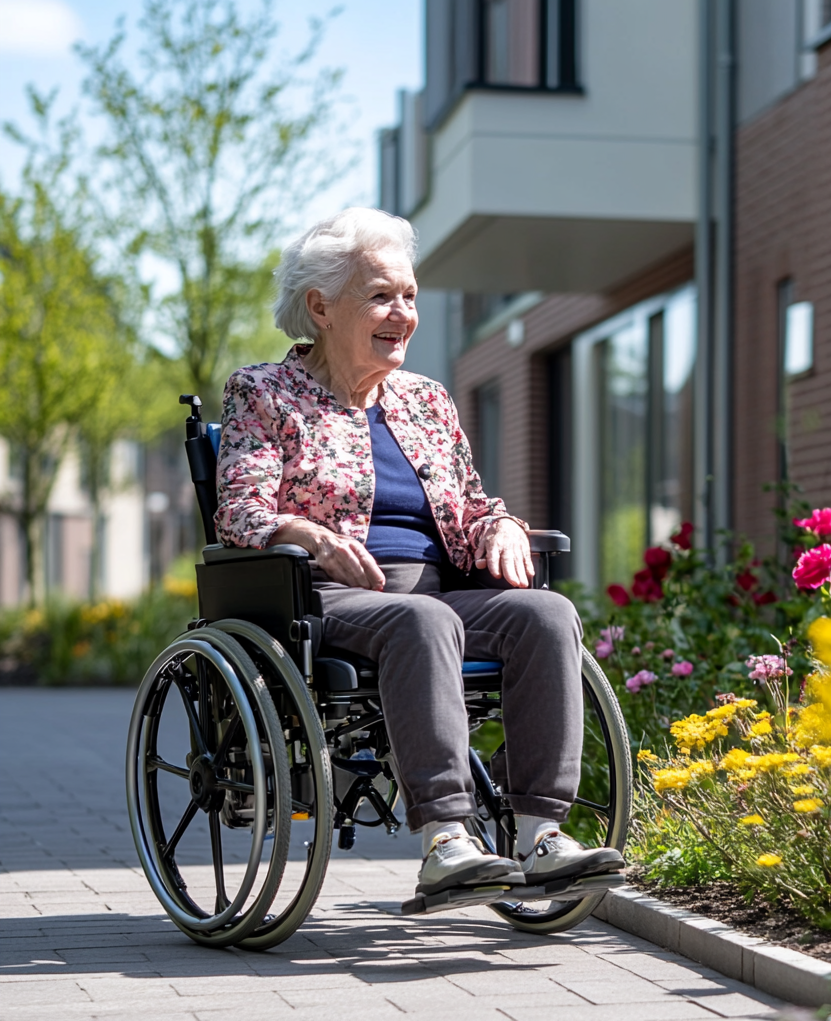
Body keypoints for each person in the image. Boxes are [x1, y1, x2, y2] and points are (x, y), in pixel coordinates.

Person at [214, 207, 623, 902]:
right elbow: (239, 509)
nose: (402, 312)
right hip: (322, 596)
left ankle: (541, 835)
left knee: (547, 614)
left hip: (434, 589)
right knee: (425, 622)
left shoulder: (427, 401)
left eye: (409, 296)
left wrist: (501, 528)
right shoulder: (265, 394)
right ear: (321, 306)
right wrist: (308, 535)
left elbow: (466, 506)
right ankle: (445, 839)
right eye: (380, 296)